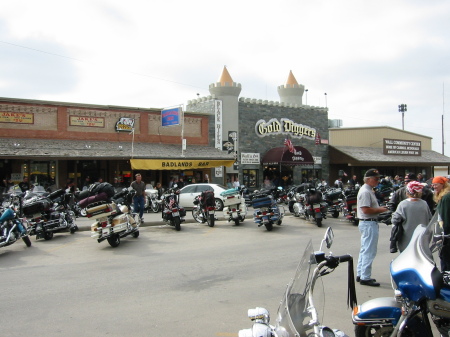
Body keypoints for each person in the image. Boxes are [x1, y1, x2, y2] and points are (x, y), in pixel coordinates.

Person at [356, 168, 388, 287]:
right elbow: (366, 209)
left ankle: (361, 274)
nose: (378, 181)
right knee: (369, 250)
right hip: (368, 222)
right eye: (376, 179)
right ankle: (365, 276)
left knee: (365, 249)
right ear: (368, 179)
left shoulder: (368, 190)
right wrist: (381, 210)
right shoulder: (365, 191)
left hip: (368, 222)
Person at [390, 181, 432, 253]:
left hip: (407, 237)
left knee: (407, 257)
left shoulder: (403, 204)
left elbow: (395, 220)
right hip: (422, 236)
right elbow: (429, 217)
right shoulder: (424, 203)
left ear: (407, 192)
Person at [432, 176, 450, 271]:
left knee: (446, 260)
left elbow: (446, 218)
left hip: (446, 235)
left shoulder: (446, 198)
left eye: (436, 184)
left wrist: (445, 236)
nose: (434, 186)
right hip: (445, 234)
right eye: (433, 184)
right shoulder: (443, 196)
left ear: (442, 185)